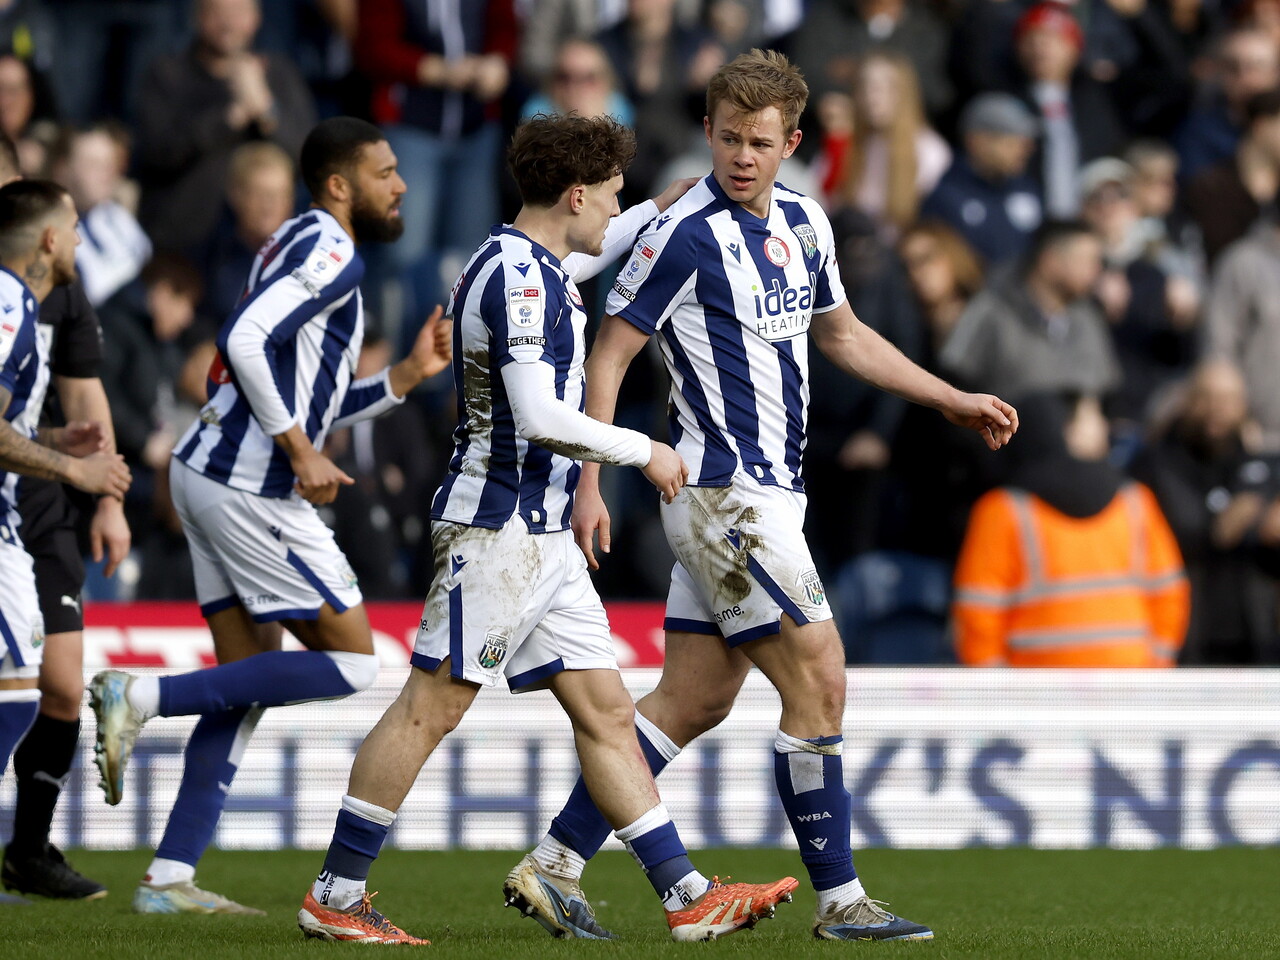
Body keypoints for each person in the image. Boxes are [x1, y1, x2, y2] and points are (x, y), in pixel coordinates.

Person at [506, 49, 1017, 944]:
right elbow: (611, 355)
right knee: (820, 676)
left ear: (794, 144)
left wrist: (951, 399)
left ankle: (554, 862)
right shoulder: (681, 233)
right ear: (707, 132)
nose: (743, 156)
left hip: (778, 492)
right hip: (720, 494)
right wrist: (590, 482)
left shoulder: (807, 224)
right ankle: (842, 901)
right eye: (730, 138)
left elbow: (846, 336)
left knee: (694, 699)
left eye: (762, 142)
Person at [296, 113, 798, 946]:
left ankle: (684, 896)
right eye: (609, 196)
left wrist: (667, 206)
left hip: (544, 541)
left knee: (606, 713)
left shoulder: (531, 261)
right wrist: (645, 450)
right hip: (497, 534)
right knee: (430, 709)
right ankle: (336, 894)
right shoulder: (521, 280)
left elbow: (604, 242)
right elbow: (537, 415)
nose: (614, 209)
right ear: (573, 195)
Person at [86, 116, 452, 915]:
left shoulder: (294, 240)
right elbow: (243, 340)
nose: (400, 185)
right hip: (251, 486)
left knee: (240, 685)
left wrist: (404, 376)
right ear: (338, 184)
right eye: (385, 172)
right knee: (357, 662)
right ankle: (137, 698)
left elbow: (308, 398)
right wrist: (297, 451)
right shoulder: (330, 250)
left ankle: (168, 877)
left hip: (208, 472)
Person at [0, 138, 133, 903]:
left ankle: (28, 850)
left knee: (51, 685)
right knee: (20, 688)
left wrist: (103, 491)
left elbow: (83, 398)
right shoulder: (11, 291)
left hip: (34, 501)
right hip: (26, 485)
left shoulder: (54, 292)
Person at [952, 392, 1189, 666]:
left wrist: (999, 695)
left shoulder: (1002, 510)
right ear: (1066, 431)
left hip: (1035, 692)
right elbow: (1170, 593)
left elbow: (977, 614)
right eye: (1093, 416)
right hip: (1127, 685)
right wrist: (1154, 669)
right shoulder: (1135, 501)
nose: (1104, 427)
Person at [134, 0, 316, 255]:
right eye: (218, 13)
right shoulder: (167, 73)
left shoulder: (278, 73)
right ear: (198, 17)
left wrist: (265, 108)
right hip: (184, 247)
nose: (228, 24)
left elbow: (308, 159)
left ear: (256, 18)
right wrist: (231, 117)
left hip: (264, 249)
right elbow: (157, 152)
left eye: (239, 13)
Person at [940, 219, 1121, 401]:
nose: (1096, 270)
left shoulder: (1087, 317)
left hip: (1074, 426)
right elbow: (955, 378)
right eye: (1087, 261)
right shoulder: (991, 308)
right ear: (1051, 260)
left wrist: (1088, 408)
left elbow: (1104, 387)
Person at [920, 93, 1043, 266]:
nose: (1026, 149)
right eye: (1012, 140)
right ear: (976, 141)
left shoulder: (1027, 189)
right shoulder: (944, 197)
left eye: (1027, 141)